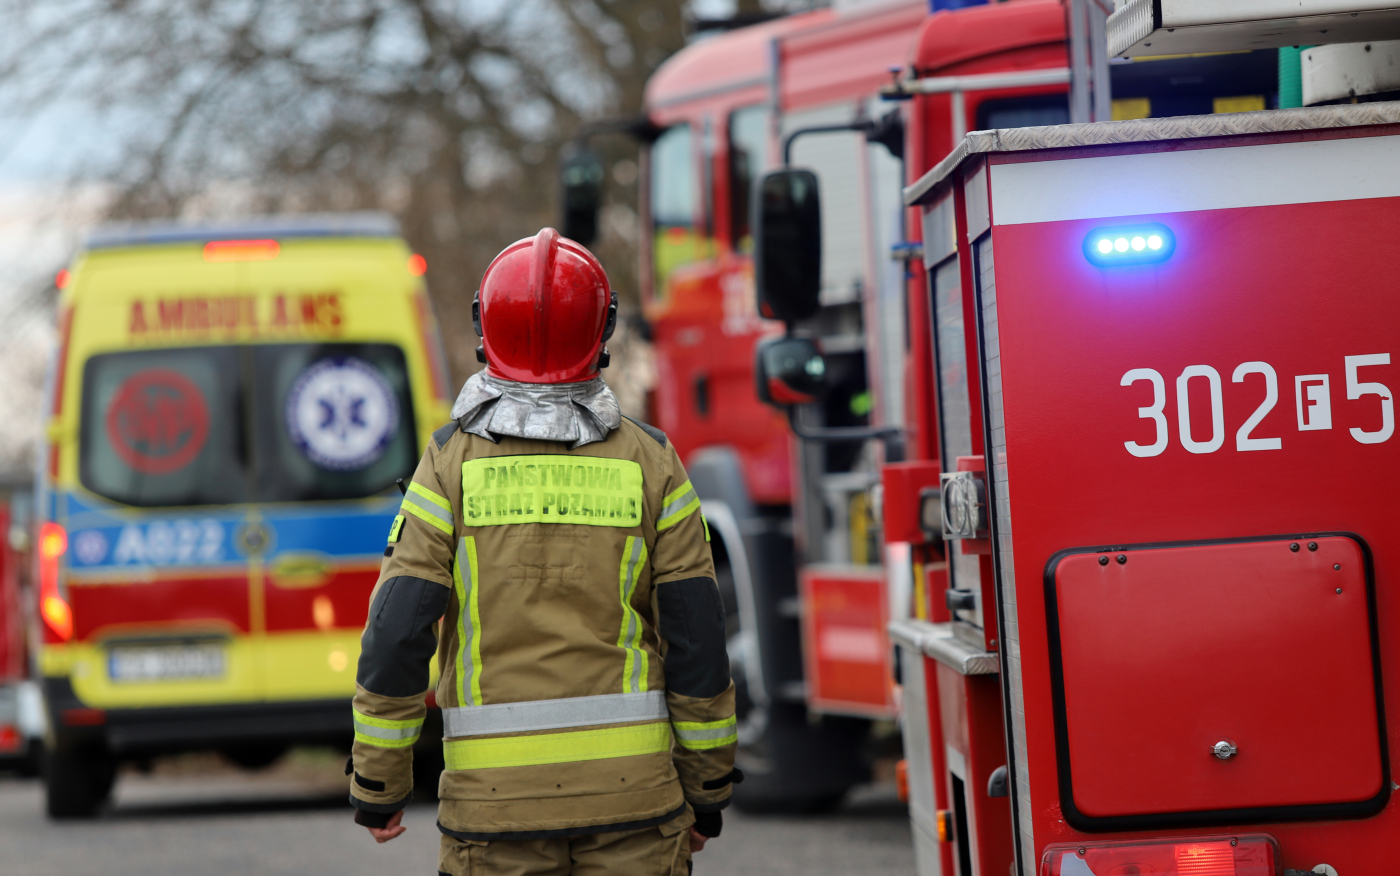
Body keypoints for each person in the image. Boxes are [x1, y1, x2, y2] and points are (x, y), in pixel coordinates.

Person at [348, 228, 738, 876]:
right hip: (636, 806)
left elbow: (397, 633)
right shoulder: (652, 462)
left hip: (493, 818)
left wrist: (379, 784)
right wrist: (707, 790)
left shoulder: (448, 465)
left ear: (486, 325)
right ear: (603, 328)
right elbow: (697, 636)